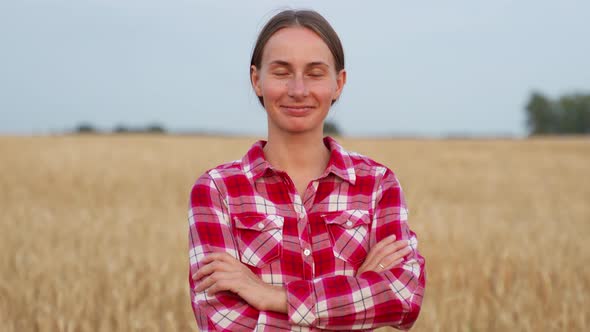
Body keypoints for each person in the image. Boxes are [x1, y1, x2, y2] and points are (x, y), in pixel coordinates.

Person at [187, 9, 426, 331]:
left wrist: (272, 296)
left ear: (338, 83)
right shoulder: (218, 190)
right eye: (282, 72)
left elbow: (403, 296)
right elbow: (223, 322)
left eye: (315, 73)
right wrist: (355, 294)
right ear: (257, 80)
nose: (298, 90)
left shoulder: (377, 184)